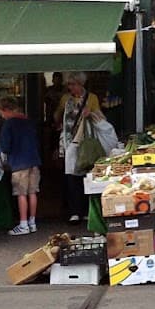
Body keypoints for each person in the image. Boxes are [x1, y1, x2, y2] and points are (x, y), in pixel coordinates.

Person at [53, 72, 102, 224]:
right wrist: (59, 122)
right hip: (70, 143)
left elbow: (100, 117)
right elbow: (57, 115)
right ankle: (74, 211)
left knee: (87, 175)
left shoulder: (92, 98)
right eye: (69, 84)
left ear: (81, 84)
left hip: (86, 143)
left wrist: (91, 113)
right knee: (71, 177)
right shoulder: (65, 99)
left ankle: (87, 211)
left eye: (73, 84)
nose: (70, 87)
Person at [0, 96, 40, 235]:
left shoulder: (9, 124)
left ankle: (23, 224)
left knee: (21, 194)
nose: (2, 116)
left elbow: (5, 146)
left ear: (6, 110)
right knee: (32, 192)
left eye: (1, 113)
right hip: (33, 161)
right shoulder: (28, 121)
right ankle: (32, 222)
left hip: (19, 162)